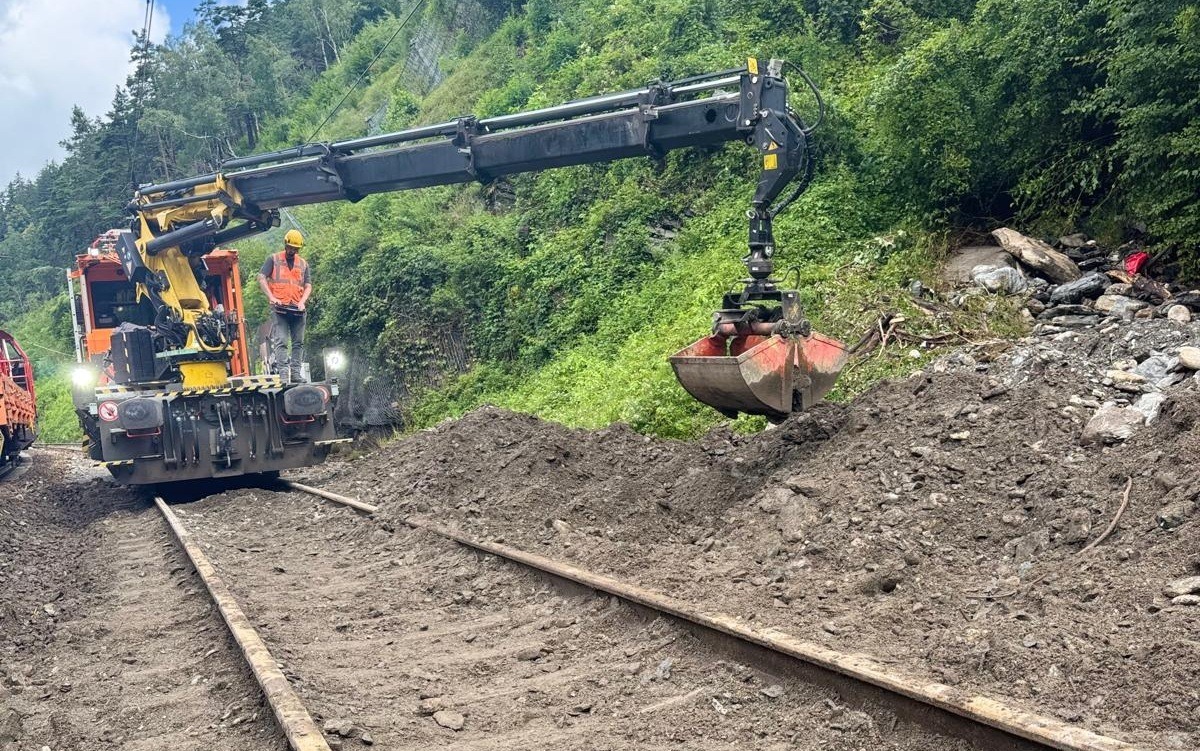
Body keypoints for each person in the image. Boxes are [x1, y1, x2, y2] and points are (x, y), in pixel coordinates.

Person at [257, 229, 312, 382]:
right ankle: (283, 375)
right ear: (285, 244)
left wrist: (302, 302)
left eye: (296, 248)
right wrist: (272, 297)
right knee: (281, 341)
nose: (292, 250)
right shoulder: (273, 259)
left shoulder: (303, 264)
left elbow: (308, 285)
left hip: (298, 310)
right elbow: (261, 277)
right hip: (280, 309)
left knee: (298, 343)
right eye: (290, 247)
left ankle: (295, 374)